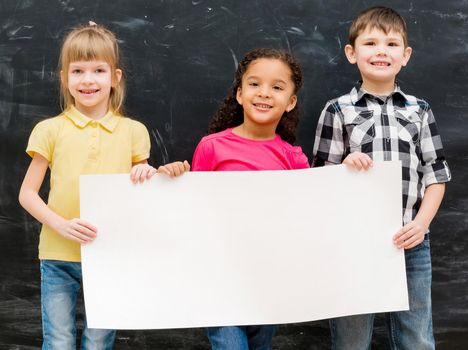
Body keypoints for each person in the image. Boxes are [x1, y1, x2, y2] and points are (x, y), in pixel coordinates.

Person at [312, 6, 451, 350]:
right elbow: (318, 180)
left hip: (412, 240)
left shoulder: (419, 110)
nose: (380, 51)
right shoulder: (337, 109)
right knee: (351, 339)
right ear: (351, 53)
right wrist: (345, 164)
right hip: (354, 243)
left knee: (416, 337)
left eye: (391, 44)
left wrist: (421, 225)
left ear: (405, 56)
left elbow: (436, 174)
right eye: (370, 42)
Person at [18, 22, 153, 349]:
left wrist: (148, 174)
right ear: (64, 77)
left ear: (115, 77)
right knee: (60, 340)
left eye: (98, 70)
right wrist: (60, 225)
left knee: (97, 343)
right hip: (57, 255)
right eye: (78, 70)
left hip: (110, 254)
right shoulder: (49, 130)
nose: (88, 80)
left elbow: (141, 194)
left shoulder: (134, 132)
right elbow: (26, 194)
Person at [191, 47, 309, 350]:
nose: (264, 93)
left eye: (277, 87)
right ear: (240, 94)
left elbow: (307, 214)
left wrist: (350, 172)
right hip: (219, 277)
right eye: (254, 84)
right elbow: (191, 207)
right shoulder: (211, 148)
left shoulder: (294, 158)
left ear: (290, 102)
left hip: (268, 280)